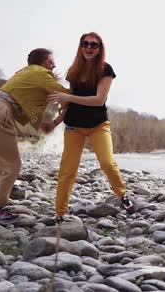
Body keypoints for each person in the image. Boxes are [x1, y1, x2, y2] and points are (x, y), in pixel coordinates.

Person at [45, 32, 134, 223]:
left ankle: (123, 195)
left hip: (98, 125)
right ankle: (60, 213)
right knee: (67, 170)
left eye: (94, 45)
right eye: (85, 43)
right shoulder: (73, 71)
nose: (89, 47)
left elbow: (98, 100)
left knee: (107, 163)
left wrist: (68, 97)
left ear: (100, 49)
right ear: (80, 46)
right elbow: (69, 104)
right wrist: (54, 122)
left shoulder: (105, 69)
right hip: (73, 126)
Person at [0, 48, 69, 224]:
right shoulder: (40, 72)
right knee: (12, 166)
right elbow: (66, 94)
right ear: (40, 62)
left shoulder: (26, 73)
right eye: (50, 61)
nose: (53, 65)